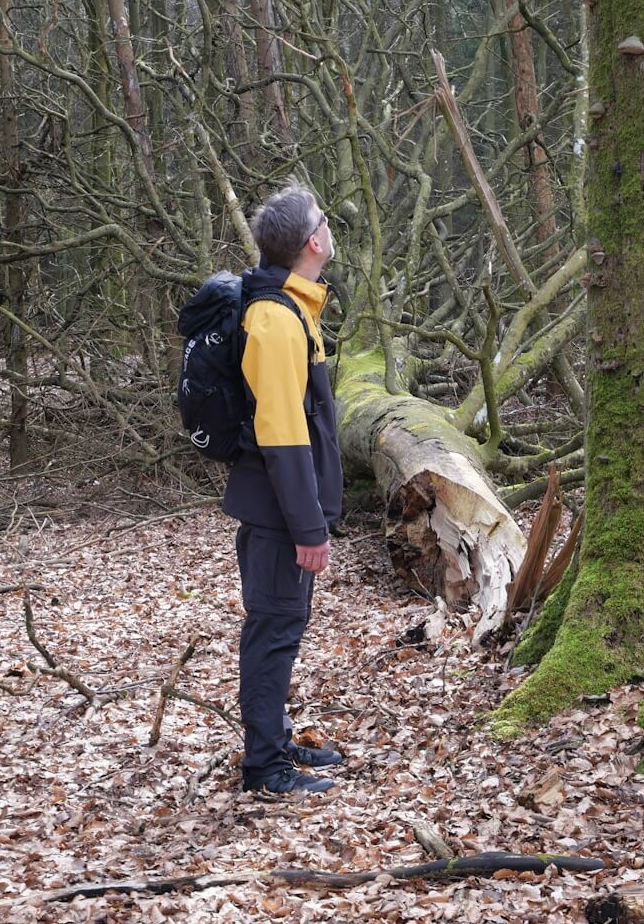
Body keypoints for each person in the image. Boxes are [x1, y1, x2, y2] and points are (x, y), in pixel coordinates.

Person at [223, 181, 344, 795]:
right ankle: (265, 768)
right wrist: (308, 526)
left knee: (280, 627)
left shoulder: (296, 308)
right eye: (324, 220)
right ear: (310, 242)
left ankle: (276, 739)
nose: (330, 227)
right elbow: (282, 433)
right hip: (277, 515)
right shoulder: (274, 320)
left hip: (282, 510)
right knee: (273, 631)